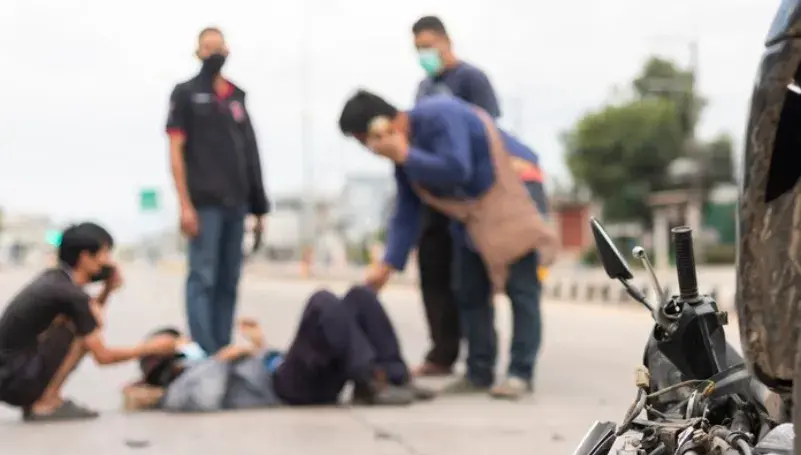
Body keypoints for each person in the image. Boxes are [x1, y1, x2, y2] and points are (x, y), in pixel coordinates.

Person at [339, 90, 555, 400]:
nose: (370, 148)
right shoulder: (402, 155)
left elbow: (458, 166)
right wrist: (387, 265)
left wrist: (406, 156)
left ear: (381, 122)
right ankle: (478, 373)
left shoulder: (439, 115)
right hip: (469, 217)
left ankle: (521, 373)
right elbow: (407, 210)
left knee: (521, 289)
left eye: (365, 139)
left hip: (509, 200)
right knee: (469, 291)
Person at [125, 286, 433, 413]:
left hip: (288, 372)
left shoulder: (198, 365)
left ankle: (394, 377)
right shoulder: (180, 384)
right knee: (322, 302)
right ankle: (369, 382)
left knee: (358, 295)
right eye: (179, 343)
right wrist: (220, 360)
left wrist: (260, 346)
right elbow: (207, 399)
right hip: (287, 390)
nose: (188, 344)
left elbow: (255, 368)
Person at [0, 222, 184, 422]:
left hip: (11, 377)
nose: (109, 263)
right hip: (16, 382)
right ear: (85, 257)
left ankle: (42, 399)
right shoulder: (70, 295)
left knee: (85, 328)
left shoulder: (55, 281)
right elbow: (102, 356)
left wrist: (107, 290)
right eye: (105, 254)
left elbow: (89, 316)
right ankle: (45, 403)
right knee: (82, 335)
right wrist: (153, 348)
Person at [166, 26, 270, 355]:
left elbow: (250, 151)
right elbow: (175, 149)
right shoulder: (185, 94)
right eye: (207, 49)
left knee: (228, 279)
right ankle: (203, 349)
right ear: (198, 54)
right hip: (204, 204)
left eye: (219, 48)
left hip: (237, 203)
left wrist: (259, 206)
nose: (214, 55)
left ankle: (222, 348)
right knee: (203, 276)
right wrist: (185, 204)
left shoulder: (237, 96)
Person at [409, 15, 502, 378]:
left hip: (468, 197)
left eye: (429, 45)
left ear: (447, 42)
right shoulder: (423, 87)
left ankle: (480, 358)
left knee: (469, 281)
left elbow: (489, 130)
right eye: (418, 48)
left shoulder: (471, 79)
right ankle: (442, 352)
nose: (424, 53)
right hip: (433, 198)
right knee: (432, 274)